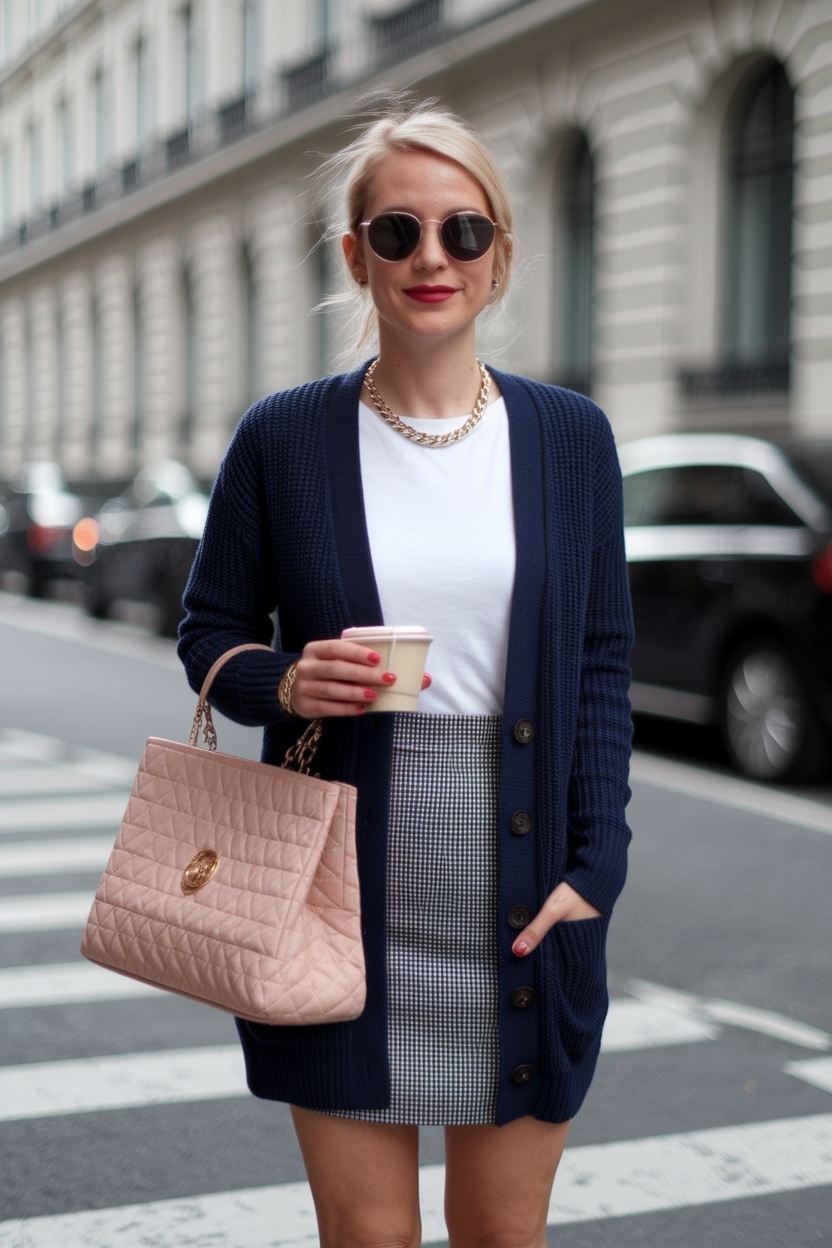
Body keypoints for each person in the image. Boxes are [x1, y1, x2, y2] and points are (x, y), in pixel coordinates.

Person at [178, 98, 633, 1248]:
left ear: (501, 256)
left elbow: (598, 661)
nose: (431, 258)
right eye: (397, 233)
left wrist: (599, 865)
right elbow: (209, 632)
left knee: (499, 1232)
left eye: (462, 232)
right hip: (335, 880)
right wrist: (280, 684)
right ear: (355, 255)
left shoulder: (571, 439)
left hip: (525, 885)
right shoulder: (282, 438)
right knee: (368, 1237)